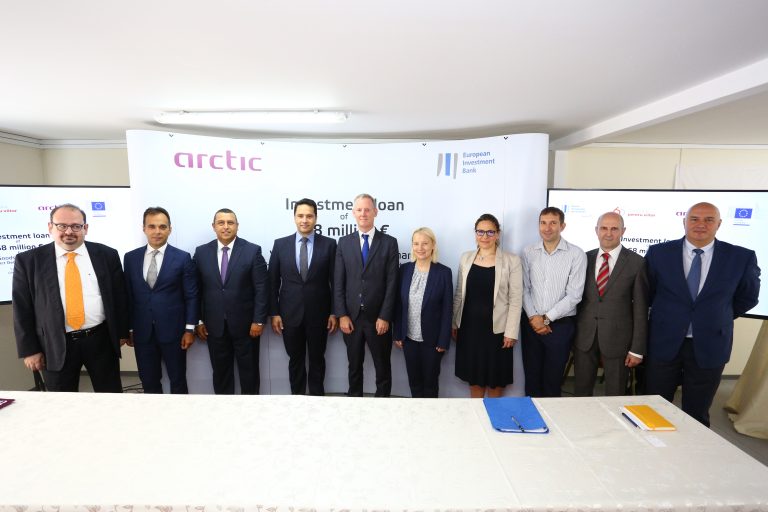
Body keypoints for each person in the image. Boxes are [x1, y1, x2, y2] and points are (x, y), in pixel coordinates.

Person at [645, 202, 760, 426]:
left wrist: (716, 315)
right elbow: (648, 293)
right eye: (694, 219)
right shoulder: (659, 253)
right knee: (654, 408)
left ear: (719, 224)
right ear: (684, 222)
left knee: (697, 413)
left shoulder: (740, 257)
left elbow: (748, 297)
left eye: (709, 220)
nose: (701, 224)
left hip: (711, 344)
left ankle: (692, 447)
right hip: (664, 342)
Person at [12, 203, 129, 392]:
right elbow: (22, 309)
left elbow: (119, 296)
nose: (69, 231)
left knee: (110, 396)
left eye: (76, 226)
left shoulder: (107, 255)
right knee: (61, 402)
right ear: (50, 227)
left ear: (85, 228)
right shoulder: (28, 261)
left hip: (101, 340)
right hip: (54, 344)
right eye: (62, 226)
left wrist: (122, 332)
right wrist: (30, 350)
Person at [123, 206, 199, 394]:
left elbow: (191, 296)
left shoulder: (182, 258)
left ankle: (180, 412)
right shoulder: (130, 258)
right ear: (144, 229)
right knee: (148, 380)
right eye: (152, 226)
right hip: (142, 333)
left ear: (170, 229)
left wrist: (190, 329)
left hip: (174, 332)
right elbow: (128, 296)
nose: (157, 231)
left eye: (162, 227)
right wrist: (129, 328)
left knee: (178, 379)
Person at [193, 208, 269, 395]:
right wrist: (199, 320)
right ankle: (224, 410)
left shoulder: (252, 251)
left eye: (230, 222)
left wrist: (259, 320)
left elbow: (261, 288)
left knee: (249, 373)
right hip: (214, 326)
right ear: (214, 226)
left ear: (237, 226)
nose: (226, 227)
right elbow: (196, 290)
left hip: (247, 326)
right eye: (221, 223)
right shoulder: (201, 253)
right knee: (221, 374)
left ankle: (251, 408)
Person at [573, 211, 648, 396]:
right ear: (596, 230)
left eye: (614, 229)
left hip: (618, 340)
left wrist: (637, 349)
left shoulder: (636, 263)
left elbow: (640, 309)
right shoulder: (584, 258)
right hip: (584, 337)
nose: (608, 233)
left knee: (615, 394)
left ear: (623, 231)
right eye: (604, 228)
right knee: (581, 393)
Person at [269, 198, 338, 395]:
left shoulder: (329, 245)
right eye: (300, 216)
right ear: (294, 217)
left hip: (320, 315)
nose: (304, 220)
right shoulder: (280, 245)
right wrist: (274, 313)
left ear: (315, 218)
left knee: (317, 360)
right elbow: (272, 282)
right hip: (289, 315)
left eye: (309, 216)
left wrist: (334, 312)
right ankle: (297, 400)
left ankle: (317, 398)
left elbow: (336, 281)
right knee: (295, 360)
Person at [334, 193, 399, 397]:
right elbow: (338, 282)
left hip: (378, 319)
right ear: (353, 213)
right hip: (351, 318)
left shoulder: (389, 243)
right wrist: (342, 315)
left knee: (382, 367)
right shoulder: (343, 242)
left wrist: (385, 316)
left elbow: (392, 283)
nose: (363, 213)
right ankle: (355, 403)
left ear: (375, 212)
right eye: (359, 210)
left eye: (367, 209)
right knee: (354, 366)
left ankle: (383, 405)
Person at [452, 214, 522, 398]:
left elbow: (516, 299)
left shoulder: (511, 260)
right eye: (480, 232)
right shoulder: (466, 258)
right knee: (474, 379)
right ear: (475, 233)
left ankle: (493, 416)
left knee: (495, 381)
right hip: (469, 329)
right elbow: (459, 293)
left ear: (497, 234)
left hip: (497, 332)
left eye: (490, 232)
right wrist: (454, 323)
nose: (485, 236)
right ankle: (476, 415)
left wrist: (511, 332)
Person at [521, 206, 586, 397]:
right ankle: (531, 416)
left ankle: (551, 416)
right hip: (531, 325)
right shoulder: (528, 252)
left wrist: (546, 318)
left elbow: (574, 295)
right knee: (531, 378)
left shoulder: (576, 254)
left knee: (552, 380)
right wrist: (534, 317)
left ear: (562, 226)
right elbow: (524, 288)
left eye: (553, 223)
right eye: (543, 223)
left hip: (560, 326)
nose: (547, 228)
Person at [393, 227, 453, 398]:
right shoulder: (404, 270)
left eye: (425, 243)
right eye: (416, 243)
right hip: (408, 339)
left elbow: (447, 309)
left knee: (430, 384)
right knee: (414, 382)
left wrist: (443, 340)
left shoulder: (443, 272)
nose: (420, 248)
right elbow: (399, 305)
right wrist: (398, 333)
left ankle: (431, 415)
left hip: (433, 341)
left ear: (433, 245)